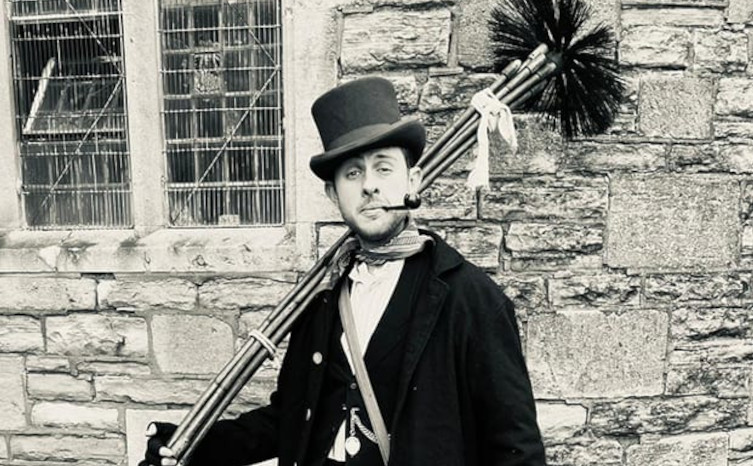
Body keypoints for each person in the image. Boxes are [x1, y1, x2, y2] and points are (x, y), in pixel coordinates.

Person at [140, 77, 545, 466]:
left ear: (414, 181)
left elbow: (515, 447)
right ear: (334, 194)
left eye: (383, 168)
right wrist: (192, 447)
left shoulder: (470, 299)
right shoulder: (321, 296)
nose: (369, 186)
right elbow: (289, 419)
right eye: (353, 173)